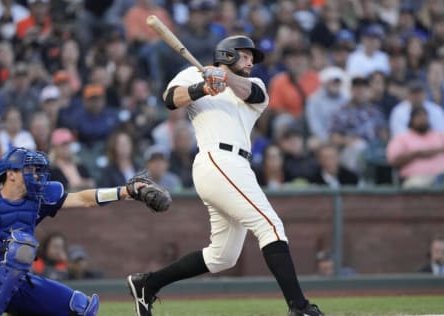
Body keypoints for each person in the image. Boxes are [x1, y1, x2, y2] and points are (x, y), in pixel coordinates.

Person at [126, 35, 324, 316]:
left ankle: (148, 284)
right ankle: (300, 307)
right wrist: (202, 87)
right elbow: (170, 100)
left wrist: (224, 79)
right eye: (245, 56)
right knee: (270, 225)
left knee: (223, 256)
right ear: (228, 54)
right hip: (216, 159)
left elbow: (248, 92)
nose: (251, 62)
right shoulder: (194, 74)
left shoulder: (255, 85)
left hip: (238, 166)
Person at [0, 146, 170, 315]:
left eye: (37, 169)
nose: (36, 175)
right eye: (30, 170)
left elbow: (82, 199)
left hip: (15, 279)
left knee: (80, 308)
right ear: (11, 174)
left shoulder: (38, 199)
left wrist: (126, 192)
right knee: (21, 244)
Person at [387, 107, 444, 188]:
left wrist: (434, 151)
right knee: (416, 186)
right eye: (419, 117)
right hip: (417, 178)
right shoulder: (401, 139)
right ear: (411, 120)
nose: (422, 120)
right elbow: (393, 161)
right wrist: (416, 153)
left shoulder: (439, 136)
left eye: (424, 117)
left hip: (442, 175)